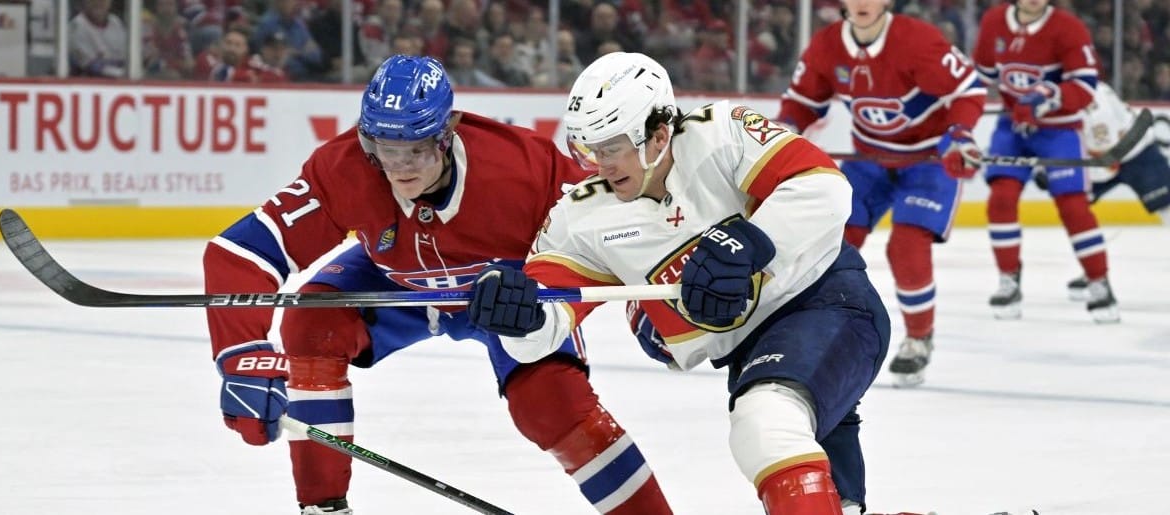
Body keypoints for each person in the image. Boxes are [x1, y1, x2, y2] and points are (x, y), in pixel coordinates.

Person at [203, 55, 672, 515]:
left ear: (445, 136)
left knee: (548, 402)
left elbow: (611, 236)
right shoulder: (344, 167)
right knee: (314, 319)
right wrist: (241, 354)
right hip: (399, 280)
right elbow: (238, 254)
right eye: (386, 150)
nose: (400, 167)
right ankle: (322, 508)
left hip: (503, 294)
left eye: (416, 150)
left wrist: (650, 314)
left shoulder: (523, 167)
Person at [467, 51, 890, 515]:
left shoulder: (720, 132)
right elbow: (545, 323)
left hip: (828, 303)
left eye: (610, 147)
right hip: (750, 354)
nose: (598, 164)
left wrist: (752, 242)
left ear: (659, 134)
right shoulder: (581, 217)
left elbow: (824, 187)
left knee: (764, 423)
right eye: (588, 148)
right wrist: (519, 318)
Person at [775, 0, 985, 386]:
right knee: (834, 241)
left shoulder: (917, 40)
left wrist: (960, 135)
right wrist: (786, 128)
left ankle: (920, 337)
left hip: (928, 159)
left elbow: (968, 91)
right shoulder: (827, 46)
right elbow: (804, 101)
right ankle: (820, 326)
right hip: (869, 159)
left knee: (906, 246)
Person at [972, 0, 1119, 322]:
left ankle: (1098, 280)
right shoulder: (995, 21)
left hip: (1059, 129)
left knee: (1073, 205)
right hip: (1012, 125)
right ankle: (1008, 278)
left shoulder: (1068, 28)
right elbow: (978, 77)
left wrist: (1047, 97)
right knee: (1001, 198)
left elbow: (1084, 84)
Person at [1044, 82, 1169, 299]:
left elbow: (1109, 163)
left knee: (1167, 205)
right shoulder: (1064, 91)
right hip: (1104, 156)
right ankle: (1094, 270)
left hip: (1137, 151)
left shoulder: (1095, 109)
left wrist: (1069, 173)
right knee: (1075, 207)